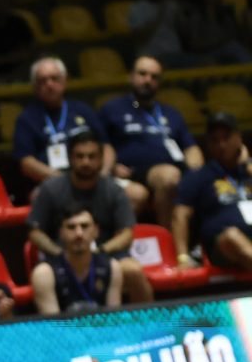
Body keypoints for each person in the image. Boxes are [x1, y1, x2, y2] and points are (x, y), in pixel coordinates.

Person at [27, 131, 154, 304]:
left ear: (101, 159)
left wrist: (100, 251)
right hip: (62, 257)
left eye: (91, 156)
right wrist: (58, 252)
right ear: (70, 158)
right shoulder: (50, 189)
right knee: (43, 275)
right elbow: (34, 232)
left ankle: (146, 320)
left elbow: (127, 234)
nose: (85, 162)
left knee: (133, 270)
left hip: (105, 255)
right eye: (79, 156)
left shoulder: (114, 190)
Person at [99, 55, 203, 227]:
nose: (148, 80)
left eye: (154, 77)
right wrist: (112, 166)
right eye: (142, 74)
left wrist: (196, 171)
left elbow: (191, 147)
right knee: (169, 176)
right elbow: (100, 144)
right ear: (131, 76)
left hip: (172, 170)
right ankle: (167, 235)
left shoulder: (170, 113)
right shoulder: (113, 109)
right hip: (131, 172)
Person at [13, 57, 112, 184]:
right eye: (43, 80)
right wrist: (66, 182)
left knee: (132, 192)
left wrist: (103, 174)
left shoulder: (83, 110)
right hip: (51, 184)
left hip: (93, 179)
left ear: (65, 81)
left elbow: (106, 146)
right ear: (35, 86)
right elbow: (26, 163)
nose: (49, 85)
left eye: (54, 78)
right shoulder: (26, 119)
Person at [174, 112, 252, 271]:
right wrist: (182, 257)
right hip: (224, 246)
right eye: (215, 140)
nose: (221, 145)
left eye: (227, 138)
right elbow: (180, 215)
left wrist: (248, 165)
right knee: (232, 236)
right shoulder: (199, 176)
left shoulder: (249, 171)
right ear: (208, 145)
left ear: (239, 138)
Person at [29, 205, 123, 314]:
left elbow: (114, 319)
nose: (79, 233)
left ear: (96, 231)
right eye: (71, 227)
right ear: (61, 232)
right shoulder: (44, 273)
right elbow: (53, 323)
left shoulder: (112, 267)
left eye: (84, 226)